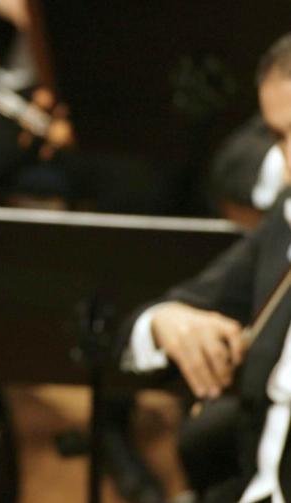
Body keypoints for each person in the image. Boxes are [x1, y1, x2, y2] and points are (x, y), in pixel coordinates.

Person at [119, 34, 291, 503]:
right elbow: (147, 319)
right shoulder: (285, 219)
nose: (287, 167)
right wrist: (167, 322)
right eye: (279, 138)